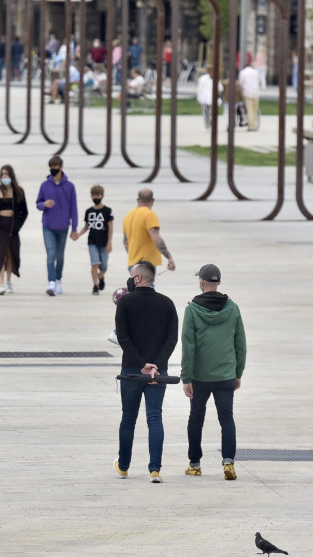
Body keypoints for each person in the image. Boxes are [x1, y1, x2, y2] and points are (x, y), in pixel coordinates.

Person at [114, 260, 178, 483]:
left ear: (138, 278)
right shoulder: (167, 304)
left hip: (132, 370)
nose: (130, 280)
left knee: (128, 418)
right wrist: (156, 365)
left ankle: (123, 466)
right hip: (158, 372)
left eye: (132, 276)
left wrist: (141, 364)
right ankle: (155, 469)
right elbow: (172, 339)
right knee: (154, 417)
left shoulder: (125, 303)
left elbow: (123, 338)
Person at [181, 264, 246, 481]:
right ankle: (228, 462)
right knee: (226, 418)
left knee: (196, 418)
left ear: (201, 282)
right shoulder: (233, 308)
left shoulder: (192, 310)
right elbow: (240, 344)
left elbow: (188, 346)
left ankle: (195, 464)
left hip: (200, 376)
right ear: (218, 283)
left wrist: (186, 377)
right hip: (226, 374)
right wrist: (238, 373)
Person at [36, 155, 78, 296]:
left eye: (56, 168)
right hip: (48, 226)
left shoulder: (70, 186)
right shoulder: (44, 185)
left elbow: (74, 208)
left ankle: (58, 280)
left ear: (61, 168)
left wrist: (75, 228)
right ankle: (51, 282)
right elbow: (38, 203)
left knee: (60, 256)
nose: (53, 170)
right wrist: (44, 204)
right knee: (50, 254)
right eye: (51, 168)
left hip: (63, 227)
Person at [0, 165, 28, 295]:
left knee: (11, 253)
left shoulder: (18, 192)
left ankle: (9, 281)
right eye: (2, 174)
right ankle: (0, 284)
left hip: (13, 227)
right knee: (1, 255)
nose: (4, 176)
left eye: (6, 174)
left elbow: (24, 212)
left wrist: (18, 225)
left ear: (11, 175)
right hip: (0, 226)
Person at [122, 188, 176, 277]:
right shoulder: (149, 215)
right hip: (146, 264)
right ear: (153, 200)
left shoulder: (128, 216)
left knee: (136, 289)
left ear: (137, 200)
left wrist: (133, 256)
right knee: (146, 290)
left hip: (133, 263)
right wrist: (169, 258)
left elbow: (125, 241)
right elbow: (156, 238)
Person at [74, 184, 114, 295]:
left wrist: (109, 242)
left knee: (104, 266)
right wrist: (78, 234)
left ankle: (101, 277)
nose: (96, 197)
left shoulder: (107, 211)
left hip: (104, 241)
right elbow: (87, 225)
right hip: (92, 241)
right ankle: (95, 285)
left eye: (98, 195)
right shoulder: (89, 211)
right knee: (94, 263)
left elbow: (110, 227)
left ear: (102, 196)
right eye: (93, 195)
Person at [238, 63, 260, 131]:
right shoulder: (256, 72)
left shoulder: (242, 73)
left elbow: (241, 83)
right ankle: (254, 124)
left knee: (249, 110)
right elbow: (259, 81)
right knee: (255, 110)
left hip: (247, 93)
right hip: (256, 92)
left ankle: (251, 126)